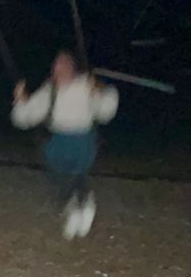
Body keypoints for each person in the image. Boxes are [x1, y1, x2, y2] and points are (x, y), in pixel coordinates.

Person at [11, 51, 118, 239]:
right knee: (57, 172)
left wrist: (97, 94)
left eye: (64, 64)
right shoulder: (49, 89)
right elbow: (25, 118)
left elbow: (106, 112)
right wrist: (21, 101)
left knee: (77, 172)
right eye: (56, 65)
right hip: (59, 139)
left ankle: (84, 202)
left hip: (83, 138)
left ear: (73, 69)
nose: (58, 69)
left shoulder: (86, 84)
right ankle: (78, 206)